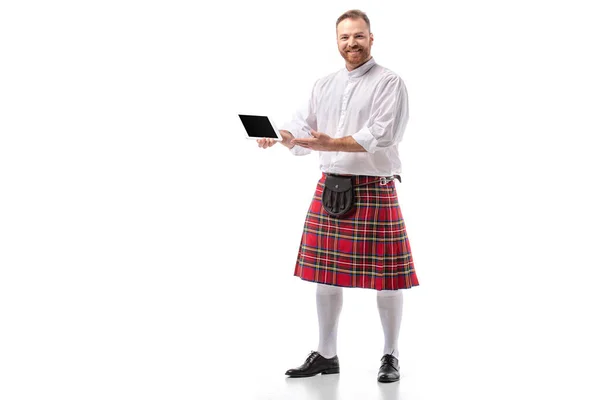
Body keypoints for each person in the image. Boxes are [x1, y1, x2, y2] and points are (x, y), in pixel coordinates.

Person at [258, 9, 419, 383]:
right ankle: (326, 354)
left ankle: (390, 354)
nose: (352, 44)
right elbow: (301, 127)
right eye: (345, 37)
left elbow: (382, 135)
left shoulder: (389, 82)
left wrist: (331, 142)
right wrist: (281, 136)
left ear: (371, 38)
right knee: (325, 277)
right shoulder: (323, 84)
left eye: (359, 36)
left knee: (387, 279)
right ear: (337, 41)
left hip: (374, 187)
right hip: (331, 186)